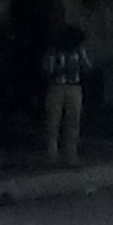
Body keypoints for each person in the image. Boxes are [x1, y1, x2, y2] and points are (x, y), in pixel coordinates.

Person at [41, 24, 89, 169]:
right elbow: (47, 70)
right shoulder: (53, 52)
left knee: (73, 122)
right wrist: (62, 69)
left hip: (74, 87)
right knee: (53, 122)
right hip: (56, 87)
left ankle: (71, 155)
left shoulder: (79, 51)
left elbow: (87, 67)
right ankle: (52, 156)